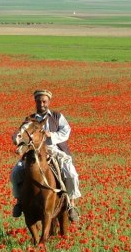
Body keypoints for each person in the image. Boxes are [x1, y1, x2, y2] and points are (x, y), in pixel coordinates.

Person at [10, 89, 81, 222]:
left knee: (71, 174)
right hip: (34, 152)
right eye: (39, 101)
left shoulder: (57, 116)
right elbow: (21, 132)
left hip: (55, 150)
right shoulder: (29, 119)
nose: (41, 104)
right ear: (35, 102)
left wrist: (51, 135)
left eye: (44, 101)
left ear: (48, 102)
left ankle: (71, 204)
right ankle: (19, 201)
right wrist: (16, 137)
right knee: (15, 173)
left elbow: (66, 131)